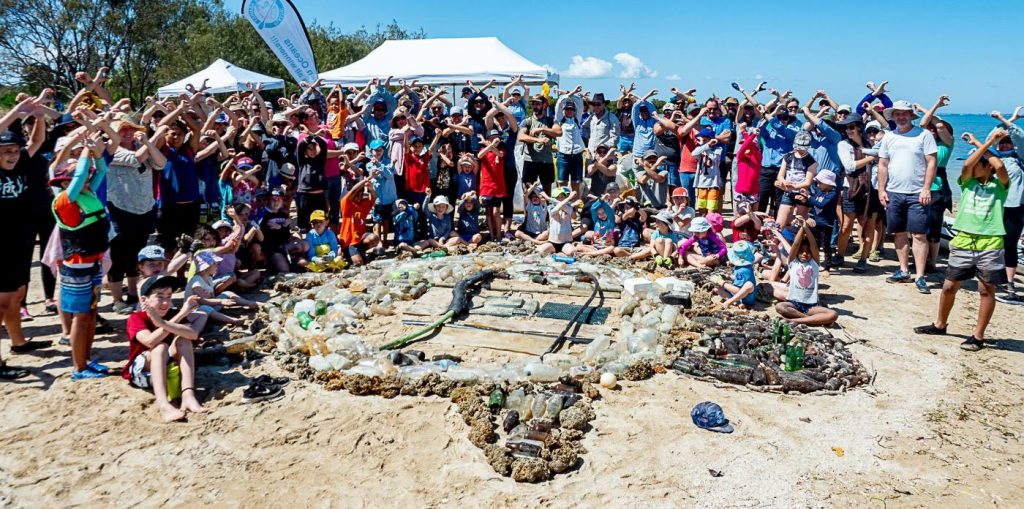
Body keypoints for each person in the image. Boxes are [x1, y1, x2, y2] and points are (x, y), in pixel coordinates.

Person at [914, 130, 1010, 350]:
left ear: (988, 167)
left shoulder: (1001, 186)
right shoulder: (967, 183)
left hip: (991, 242)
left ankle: (978, 336)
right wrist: (983, 144)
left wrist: (985, 144)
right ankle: (940, 324)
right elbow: (967, 165)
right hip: (964, 240)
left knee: (986, 289)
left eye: (981, 163)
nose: (974, 165)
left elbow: (1001, 168)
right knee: (949, 286)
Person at [0, 99, 49, 380]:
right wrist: (15, 114)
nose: (12, 155)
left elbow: (38, 140)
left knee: (17, 295)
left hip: (19, 240)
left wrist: (39, 117)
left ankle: (19, 343)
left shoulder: (21, 165)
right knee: (2, 301)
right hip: (1, 245)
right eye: (5, 151)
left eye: (14, 149)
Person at [124, 275, 207, 422]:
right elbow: (149, 341)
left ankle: (188, 395)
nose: (165, 302)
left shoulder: (173, 314)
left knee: (184, 340)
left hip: (170, 368)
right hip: (143, 373)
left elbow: (193, 334)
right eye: (159, 296)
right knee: (160, 347)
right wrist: (174, 318)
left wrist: (165, 321)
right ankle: (163, 405)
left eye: (169, 296)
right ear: (144, 300)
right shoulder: (136, 318)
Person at [877, 100, 938, 293]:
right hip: (894, 191)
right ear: (893, 116)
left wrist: (926, 188)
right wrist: (881, 190)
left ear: (912, 115)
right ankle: (903, 270)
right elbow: (883, 165)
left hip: (917, 193)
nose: (901, 117)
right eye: (897, 114)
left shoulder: (924, 135)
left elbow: (931, 162)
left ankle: (920, 276)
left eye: (904, 113)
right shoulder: (889, 137)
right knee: (899, 232)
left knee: (920, 234)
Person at [775, 217, 839, 326]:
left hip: (812, 305)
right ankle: (811, 319)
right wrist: (802, 228)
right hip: (794, 304)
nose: (804, 254)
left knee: (833, 314)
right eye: (801, 252)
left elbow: (813, 245)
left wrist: (806, 228)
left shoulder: (814, 263)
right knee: (780, 307)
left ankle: (795, 320)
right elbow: (795, 244)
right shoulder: (793, 263)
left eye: (807, 252)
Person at [989, 110, 1024, 304]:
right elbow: (989, 139)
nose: (1004, 145)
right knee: (993, 243)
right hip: (993, 207)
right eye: (1002, 142)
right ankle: (993, 280)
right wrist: (1004, 123)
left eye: (1007, 142)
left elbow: (1020, 137)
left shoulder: (1021, 158)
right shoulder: (993, 159)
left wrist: (1006, 120)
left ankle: (1010, 285)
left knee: (1009, 245)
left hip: (1014, 208)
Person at [775, 130, 818, 227]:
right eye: (798, 147)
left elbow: (807, 183)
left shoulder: (811, 161)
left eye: (803, 148)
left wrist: (793, 186)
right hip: (788, 192)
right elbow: (780, 175)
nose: (800, 150)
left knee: (798, 224)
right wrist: (784, 182)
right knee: (780, 223)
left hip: (802, 194)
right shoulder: (788, 156)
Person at [518, 94, 557, 196]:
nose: (535, 106)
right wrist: (538, 140)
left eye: (538, 104)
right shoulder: (527, 121)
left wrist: (542, 129)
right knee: (528, 190)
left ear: (544, 105)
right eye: (533, 104)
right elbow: (521, 137)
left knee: (547, 190)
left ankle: (547, 211)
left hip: (546, 160)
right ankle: (528, 211)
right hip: (530, 160)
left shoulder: (550, 121)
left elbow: (559, 132)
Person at [338, 177, 378, 266]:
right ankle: (347, 254)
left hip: (360, 238)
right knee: (358, 263)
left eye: (361, 194)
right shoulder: (346, 203)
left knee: (374, 238)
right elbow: (353, 190)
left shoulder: (363, 203)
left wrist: (371, 188)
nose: (359, 197)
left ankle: (360, 252)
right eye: (357, 195)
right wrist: (367, 178)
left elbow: (374, 197)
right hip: (349, 241)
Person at [553, 88, 586, 195]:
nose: (569, 111)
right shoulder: (559, 119)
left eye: (571, 109)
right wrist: (570, 93)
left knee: (576, 184)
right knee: (562, 184)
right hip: (563, 155)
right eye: (567, 109)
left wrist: (572, 94)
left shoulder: (577, 119)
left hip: (577, 155)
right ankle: (563, 208)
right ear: (563, 110)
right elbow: (559, 103)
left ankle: (575, 209)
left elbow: (579, 102)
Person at [808, 170, 840, 273]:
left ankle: (827, 266)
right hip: (816, 223)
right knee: (815, 244)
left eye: (820, 182)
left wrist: (809, 197)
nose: (818, 185)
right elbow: (813, 204)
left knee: (826, 245)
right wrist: (806, 198)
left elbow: (820, 205)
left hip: (826, 224)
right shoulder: (819, 192)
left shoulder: (832, 194)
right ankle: (814, 263)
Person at [478, 129, 507, 241]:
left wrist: (491, 145)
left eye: (496, 138)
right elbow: (480, 155)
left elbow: (499, 154)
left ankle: (499, 235)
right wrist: (489, 145)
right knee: (488, 212)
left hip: (498, 186)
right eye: (492, 138)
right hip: (486, 186)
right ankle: (491, 235)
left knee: (496, 211)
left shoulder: (502, 150)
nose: (495, 140)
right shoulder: (484, 150)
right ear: (488, 140)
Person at [536, 187, 577, 256]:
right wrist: (569, 198)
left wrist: (548, 198)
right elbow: (556, 208)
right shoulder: (550, 207)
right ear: (554, 199)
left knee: (571, 252)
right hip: (553, 242)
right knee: (539, 251)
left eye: (562, 197)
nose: (560, 199)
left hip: (565, 242)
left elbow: (574, 217)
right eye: (557, 197)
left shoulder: (568, 207)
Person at [692, 128, 724, 213]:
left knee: (711, 206)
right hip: (701, 183)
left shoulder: (718, 149)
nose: (704, 141)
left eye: (706, 139)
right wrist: (705, 146)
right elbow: (693, 154)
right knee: (701, 206)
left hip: (713, 183)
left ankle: (710, 222)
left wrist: (709, 146)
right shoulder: (700, 149)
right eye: (703, 139)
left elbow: (714, 159)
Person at [718, 241, 757, 309]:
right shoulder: (747, 265)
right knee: (716, 289)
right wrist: (729, 277)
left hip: (747, 298)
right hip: (742, 295)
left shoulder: (741, 270)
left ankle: (730, 301)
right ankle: (737, 303)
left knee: (749, 285)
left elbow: (737, 290)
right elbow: (741, 278)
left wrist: (722, 283)